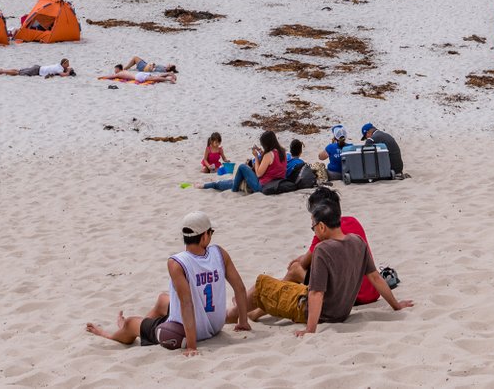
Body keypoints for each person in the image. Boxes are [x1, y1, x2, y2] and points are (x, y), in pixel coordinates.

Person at [85, 212, 251, 356]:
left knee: (129, 323)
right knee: (163, 300)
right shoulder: (220, 253)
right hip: (215, 325)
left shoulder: (177, 262)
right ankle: (145, 325)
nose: (211, 235)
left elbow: (187, 304)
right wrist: (243, 322)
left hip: (184, 334)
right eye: (211, 232)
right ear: (204, 237)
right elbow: (240, 288)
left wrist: (192, 346)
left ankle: (113, 333)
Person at [250, 200, 412, 335]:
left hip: (316, 311)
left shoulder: (322, 249)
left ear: (321, 226)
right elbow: (375, 277)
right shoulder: (357, 241)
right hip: (342, 311)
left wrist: (310, 330)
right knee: (279, 289)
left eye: (313, 227)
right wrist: (396, 305)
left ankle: (240, 315)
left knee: (261, 283)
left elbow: (316, 293)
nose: (313, 231)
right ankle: (245, 312)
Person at [279, 186, 378, 303]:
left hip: (351, 296)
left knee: (295, 269)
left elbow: (304, 263)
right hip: (371, 291)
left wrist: (298, 260)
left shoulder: (323, 233)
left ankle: (263, 305)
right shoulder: (352, 221)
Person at [203, 131, 284, 192]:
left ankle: (234, 190)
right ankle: (217, 184)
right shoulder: (282, 151)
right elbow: (272, 165)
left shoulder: (268, 155)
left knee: (242, 167)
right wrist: (262, 153)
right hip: (276, 182)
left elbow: (259, 174)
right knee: (239, 176)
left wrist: (256, 156)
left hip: (262, 186)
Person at [0, 59, 75, 77]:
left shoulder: (58, 65)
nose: (68, 65)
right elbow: (63, 74)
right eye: (67, 64)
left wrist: (68, 69)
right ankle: (2, 71)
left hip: (38, 67)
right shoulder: (59, 69)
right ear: (64, 64)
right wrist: (68, 72)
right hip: (37, 71)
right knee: (18, 73)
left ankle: (3, 70)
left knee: (19, 70)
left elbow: (65, 69)